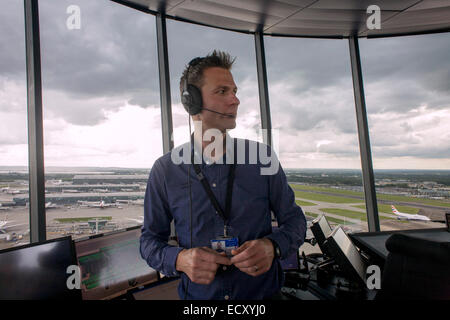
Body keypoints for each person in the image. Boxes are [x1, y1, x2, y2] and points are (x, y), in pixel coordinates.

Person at [140, 50, 306, 300]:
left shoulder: (263, 159)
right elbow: (149, 242)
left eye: (235, 91)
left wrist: (273, 246)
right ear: (192, 102)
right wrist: (180, 259)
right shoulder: (165, 171)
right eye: (222, 92)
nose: (235, 100)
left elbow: (296, 222)